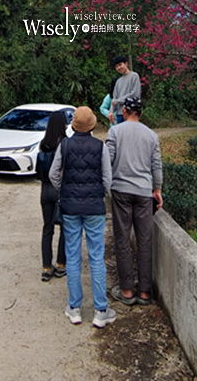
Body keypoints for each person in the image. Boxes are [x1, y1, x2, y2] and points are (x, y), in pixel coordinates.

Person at [49, 105, 116, 328]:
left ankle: (75, 308)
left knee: (73, 257)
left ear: (74, 125)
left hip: (70, 209)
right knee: (97, 258)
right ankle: (100, 310)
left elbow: (53, 174)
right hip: (95, 208)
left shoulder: (64, 145)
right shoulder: (100, 146)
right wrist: (100, 194)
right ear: (92, 125)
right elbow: (107, 179)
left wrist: (64, 191)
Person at [105, 96, 163, 306]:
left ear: (125, 111)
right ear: (140, 112)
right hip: (144, 192)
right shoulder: (151, 135)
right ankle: (145, 292)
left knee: (122, 239)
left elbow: (108, 160)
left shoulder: (115, 131)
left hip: (121, 190)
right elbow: (156, 164)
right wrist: (157, 189)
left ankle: (127, 290)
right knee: (144, 240)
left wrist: (106, 183)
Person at [35, 110, 67, 282]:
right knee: (65, 228)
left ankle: (46, 267)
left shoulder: (43, 144)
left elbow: (38, 171)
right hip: (60, 191)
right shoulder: (65, 143)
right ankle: (61, 264)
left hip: (45, 190)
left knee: (47, 229)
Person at [108, 55, 141, 125]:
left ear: (126, 64)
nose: (119, 68)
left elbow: (135, 94)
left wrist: (118, 101)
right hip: (120, 114)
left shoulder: (134, 76)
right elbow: (114, 99)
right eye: (116, 66)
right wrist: (110, 112)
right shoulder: (118, 81)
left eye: (120, 65)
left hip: (132, 113)